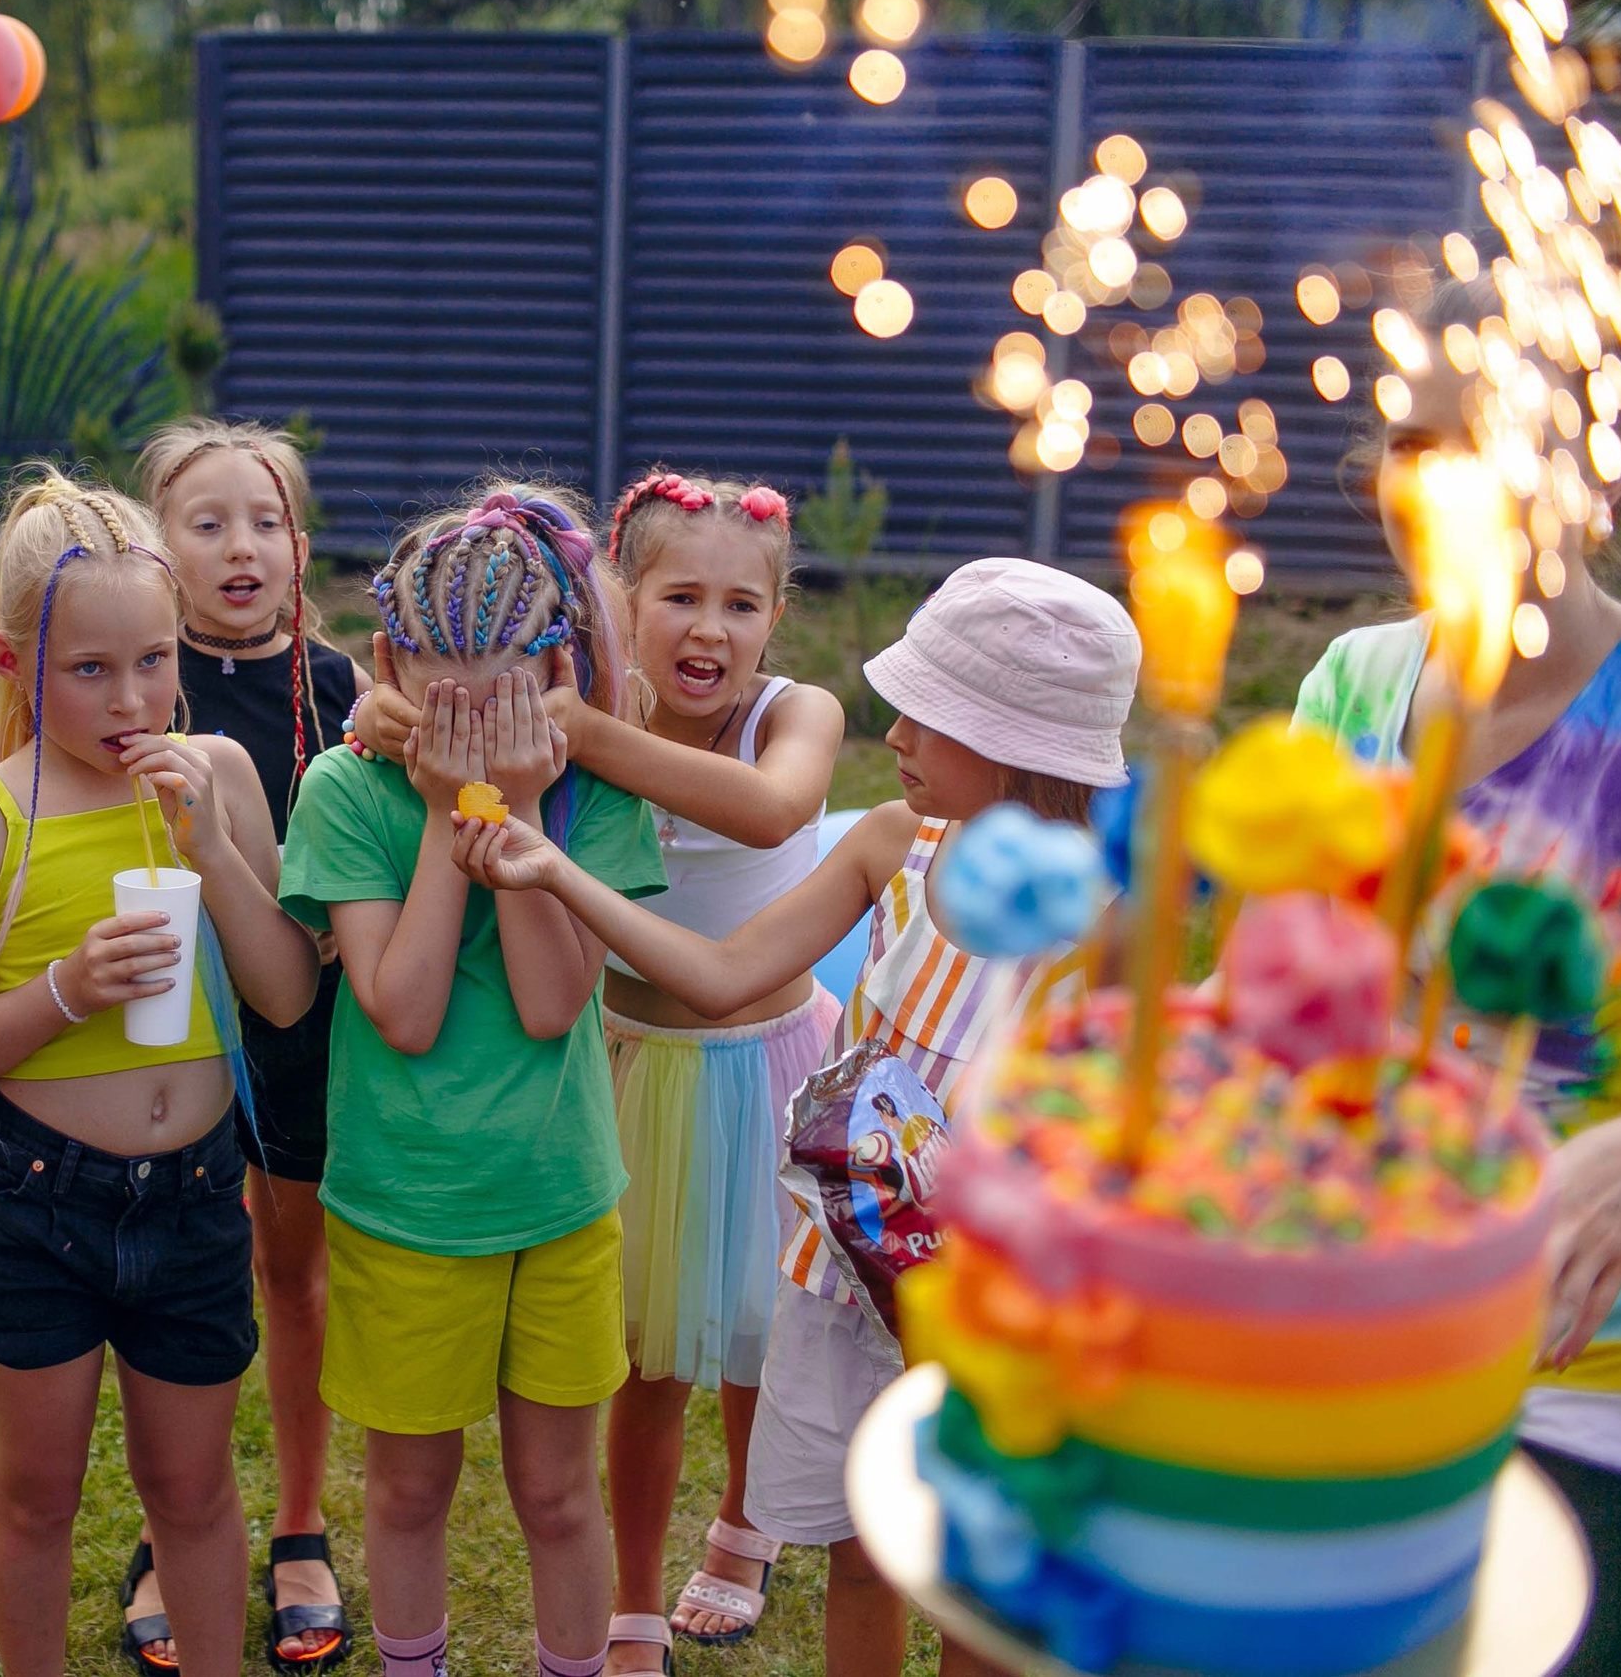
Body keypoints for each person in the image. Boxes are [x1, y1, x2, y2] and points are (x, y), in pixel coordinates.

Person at [448, 558, 1139, 1677]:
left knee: (979, 1580)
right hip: (850, 1283)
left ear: (1016, 743)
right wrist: (554, 874)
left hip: (1003, 1306)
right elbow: (721, 974)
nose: (897, 730)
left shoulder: (1107, 922)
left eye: (933, 714)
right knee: (860, 1551)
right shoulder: (888, 848)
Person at [1293, 281, 1621, 1677]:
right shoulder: (1355, 687)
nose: (1428, 490)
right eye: (1407, 444)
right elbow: (1307, 1009)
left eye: (1484, 445)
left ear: (1590, 465)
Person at [353, 469, 846, 1673]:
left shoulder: (786, 714)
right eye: (680, 596)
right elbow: (424, 725)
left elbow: (773, 813)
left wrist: (579, 729)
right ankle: (629, 1592)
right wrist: (402, 720)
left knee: (757, 1327)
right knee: (640, 1346)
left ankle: (742, 1524)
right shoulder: (567, 726)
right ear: (619, 601)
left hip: (767, 1061)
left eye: (742, 603)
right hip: (629, 1061)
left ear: (776, 617)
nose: (710, 628)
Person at [0, 473, 320, 1677]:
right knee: (35, 1491)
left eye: (152, 659)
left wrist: (212, 852)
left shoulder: (219, 775)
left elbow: (287, 994)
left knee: (191, 1489)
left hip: (193, 1195)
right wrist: (62, 994)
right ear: (12, 658)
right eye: (89, 669)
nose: (131, 697)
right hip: (35, 1200)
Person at [277, 484, 664, 1677]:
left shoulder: (593, 797)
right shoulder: (345, 791)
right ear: (389, 659)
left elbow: (555, 1004)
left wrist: (525, 811)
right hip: (407, 1201)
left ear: (552, 671)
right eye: (440, 679)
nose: (467, 708)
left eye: (498, 682)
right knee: (405, 1485)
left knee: (557, 1493)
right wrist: (453, 814)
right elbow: (402, 1007)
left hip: (555, 1198)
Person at [136, 419, 371, 1672]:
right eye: (206, 521)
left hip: (297, 1037)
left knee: (291, 1276)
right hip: (149, 1045)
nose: (241, 547)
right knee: (171, 1288)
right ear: (154, 546)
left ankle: (294, 1515)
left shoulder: (341, 692)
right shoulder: (118, 678)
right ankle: (172, 1521)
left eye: (265, 521)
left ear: (299, 545)